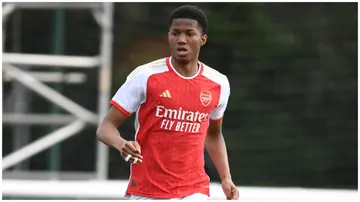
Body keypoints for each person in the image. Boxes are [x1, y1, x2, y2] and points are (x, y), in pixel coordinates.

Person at [96, 5, 239, 200]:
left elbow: (213, 134)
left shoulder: (218, 83)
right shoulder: (146, 76)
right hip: (148, 191)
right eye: (175, 33)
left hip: (194, 189)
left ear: (202, 39)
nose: (182, 39)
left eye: (189, 34)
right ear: (169, 37)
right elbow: (105, 128)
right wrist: (122, 144)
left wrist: (226, 178)